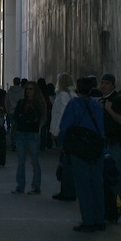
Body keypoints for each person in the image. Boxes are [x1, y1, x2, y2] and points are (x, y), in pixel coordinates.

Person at [59, 76, 106, 232]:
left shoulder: (74, 104)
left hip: (80, 149)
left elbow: (66, 126)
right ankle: (100, 219)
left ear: (78, 89)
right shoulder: (97, 105)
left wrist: (64, 145)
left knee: (83, 186)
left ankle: (88, 220)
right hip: (96, 148)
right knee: (97, 184)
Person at [97, 72, 121, 213]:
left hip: (119, 143)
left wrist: (109, 110)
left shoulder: (119, 100)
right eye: (102, 82)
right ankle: (114, 202)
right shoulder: (101, 100)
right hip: (108, 142)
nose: (103, 85)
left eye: (107, 83)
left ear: (113, 85)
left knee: (116, 173)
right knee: (111, 172)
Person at [11, 81, 46, 194]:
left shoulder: (38, 104)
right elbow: (16, 117)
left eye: (31, 89)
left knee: (34, 161)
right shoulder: (21, 103)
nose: (29, 91)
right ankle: (20, 186)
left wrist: (30, 120)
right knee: (21, 161)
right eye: (27, 89)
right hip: (21, 133)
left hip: (32, 134)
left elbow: (38, 118)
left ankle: (36, 186)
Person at [49, 72, 76, 201]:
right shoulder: (74, 95)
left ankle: (66, 191)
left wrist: (54, 131)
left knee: (65, 162)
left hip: (63, 132)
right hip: (73, 132)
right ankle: (70, 189)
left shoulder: (61, 96)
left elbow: (59, 115)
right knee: (70, 162)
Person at [4, 77, 23, 151]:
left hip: (11, 111)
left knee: (13, 128)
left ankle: (13, 144)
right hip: (20, 112)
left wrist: (7, 110)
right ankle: (20, 144)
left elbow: (6, 102)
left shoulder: (10, 91)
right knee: (20, 129)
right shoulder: (22, 91)